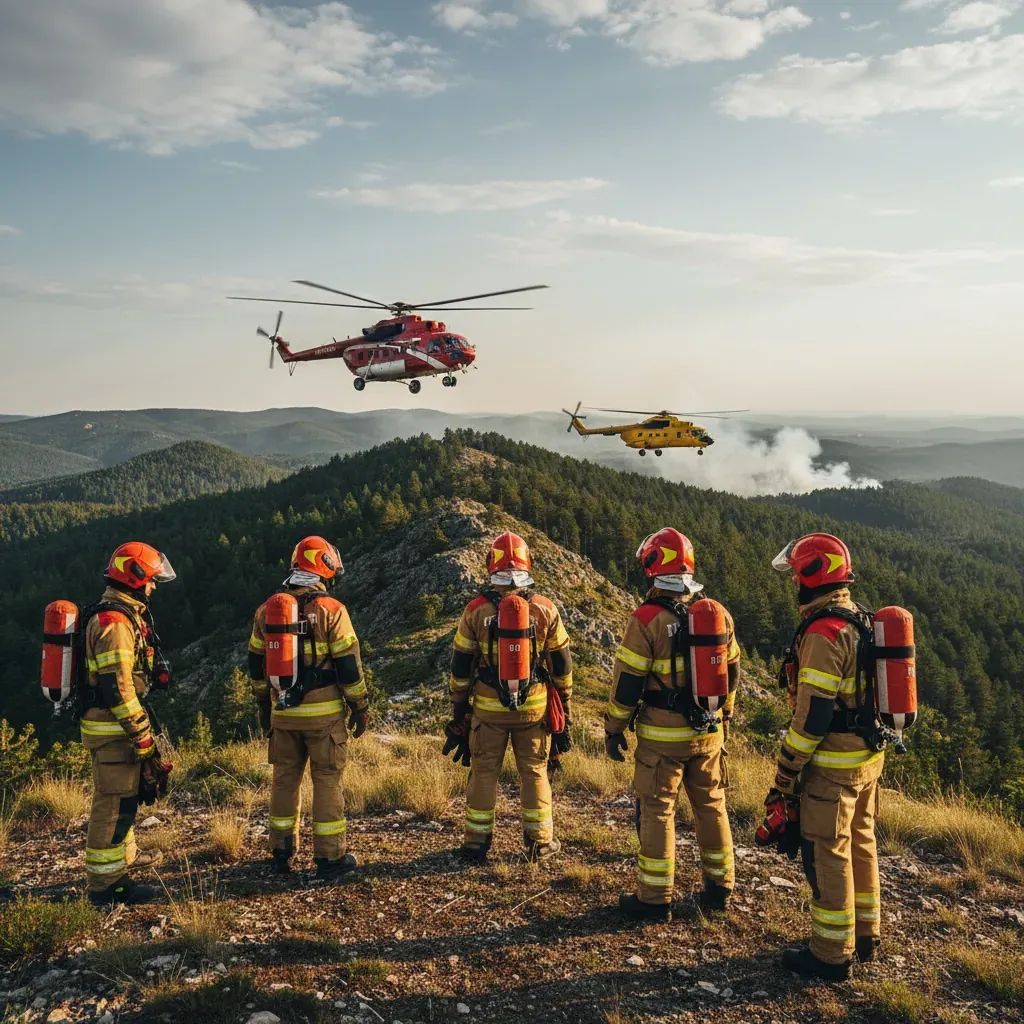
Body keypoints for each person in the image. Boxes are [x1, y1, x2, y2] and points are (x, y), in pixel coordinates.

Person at [604, 528, 741, 923]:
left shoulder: (645, 619)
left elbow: (628, 684)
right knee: (712, 805)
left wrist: (614, 728)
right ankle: (721, 886)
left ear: (651, 568)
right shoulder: (718, 616)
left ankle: (654, 897)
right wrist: (723, 721)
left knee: (658, 809)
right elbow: (731, 675)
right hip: (709, 732)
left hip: (663, 739)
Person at [764, 533, 883, 980]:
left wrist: (785, 772)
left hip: (832, 767)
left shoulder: (823, 633)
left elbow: (812, 717)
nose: (793, 582)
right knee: (862, 842)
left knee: (827, 851)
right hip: (867, 759)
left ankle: (831, 954)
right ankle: (866, 933)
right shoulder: (859, 619)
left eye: (796, 573)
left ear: (809, 577)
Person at [445, 531, 573, 863]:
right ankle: (540, 843)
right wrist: (566, 705)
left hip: (488, 707)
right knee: (534, 771)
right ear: (528, 564)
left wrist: (459, 709)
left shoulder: (475, 610)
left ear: (491, 566)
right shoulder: (544, 608)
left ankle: (476, 843)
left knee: (484, 771)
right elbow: (561, 664)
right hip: (534, 707)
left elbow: (461, 665)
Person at [248, 535, 369, 880]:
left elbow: (256, 664)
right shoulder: (332, 611)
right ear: (325, 568)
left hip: (283, 712)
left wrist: (263, 704)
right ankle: (330, 859)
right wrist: (360, 706)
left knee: (285, 779)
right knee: (327, 780)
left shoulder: (266, 609)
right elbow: (349, 667)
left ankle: (281, 851)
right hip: (324, 714)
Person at [81, 542, 176, 906]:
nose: (152, 588)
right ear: (134, 578)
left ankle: (120, 868)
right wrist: (142, 736)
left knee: (126, 801)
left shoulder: (118, 616)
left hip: (113, 729)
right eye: (151, 580)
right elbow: (118, 687)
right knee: (113, 804)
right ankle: (106, 887)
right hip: (115, 731)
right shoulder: (115, 624)